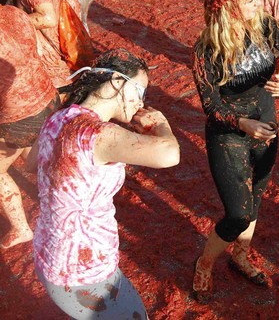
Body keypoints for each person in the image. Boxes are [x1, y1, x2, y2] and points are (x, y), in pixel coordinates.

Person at [191, 0, 279, 299]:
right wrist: (243, 123)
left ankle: (240, 256)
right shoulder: (205, 50)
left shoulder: (263, 25)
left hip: (267, 122)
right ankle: (204, 263)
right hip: (228, 132)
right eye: (248, 0)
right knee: (238, 213)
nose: (257, 4)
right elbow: (211, 105)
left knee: (256, 197)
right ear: (226, 5)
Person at [32, 48, 180, 319]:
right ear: (117, 82)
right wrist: (161, 124)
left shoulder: (59, 117)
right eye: (140, 91)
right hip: (83, 270)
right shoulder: (99, 134)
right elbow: (169, 154)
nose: (141, 102)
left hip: (49, 251)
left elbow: (34, 163)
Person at [0, 4, 58, 249]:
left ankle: (21, 228)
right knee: (40, 154)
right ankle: (55, 202)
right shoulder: (14, 12)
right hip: (48, 97)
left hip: (18, 116)